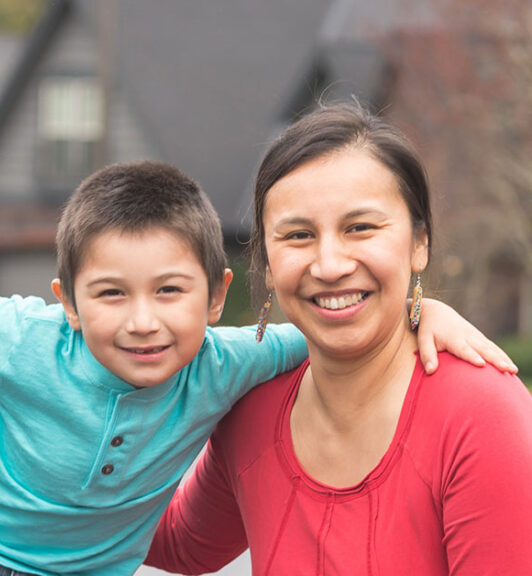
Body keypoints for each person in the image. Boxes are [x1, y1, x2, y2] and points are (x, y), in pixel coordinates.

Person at [0, 160, 499, 576]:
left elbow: (330, 322)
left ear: (216, 298)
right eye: (110, 294)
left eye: (168, 292)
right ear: (67, 303)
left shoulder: (230, 361)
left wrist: (420, 309)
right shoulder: (27, 339)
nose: (143, 321)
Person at [144, 102, 532, 574]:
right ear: (265, 262)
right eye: (299, 235)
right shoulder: (253, 405)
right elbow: (180, 543)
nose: (329, 265)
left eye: (360, 228)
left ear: (419, 243)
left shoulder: (482, 416)